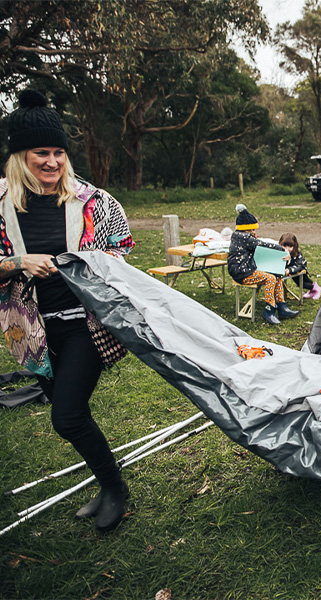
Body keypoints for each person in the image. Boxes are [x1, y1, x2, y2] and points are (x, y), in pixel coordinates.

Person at [0, 90, 136, 532]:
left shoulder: (92, 201)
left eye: (59, 152)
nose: (54, 161)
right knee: (68, 410)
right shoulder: (2, 207)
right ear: (20, 155)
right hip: (32, 330)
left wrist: (102, 264)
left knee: (67, 415)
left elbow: (122, 250)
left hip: (86, 325)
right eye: (42, 152)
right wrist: (17, 263)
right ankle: (106, 481)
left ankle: (115, 488)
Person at [227, 204, 299, 325]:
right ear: (247, 229)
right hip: (242, 273)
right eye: (253, 229)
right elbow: (263, 245)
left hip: (247, 268)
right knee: (270, 278)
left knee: (277, 275)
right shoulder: (245, 238)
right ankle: (269, 310)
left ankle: (282, 307)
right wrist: (282, 249)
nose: (254, 232)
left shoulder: (239, 236)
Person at [278, 232, 321, 300]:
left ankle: (316, 289)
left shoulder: (296, 253)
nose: (287, 248)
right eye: (284, 246)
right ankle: (313, 289)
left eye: (290, 246)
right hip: (290, 270)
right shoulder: (279, 251)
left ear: (294, 246)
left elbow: (299, 265)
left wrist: (289, 270)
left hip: (299, 269)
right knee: (304, 281)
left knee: (302, 283)